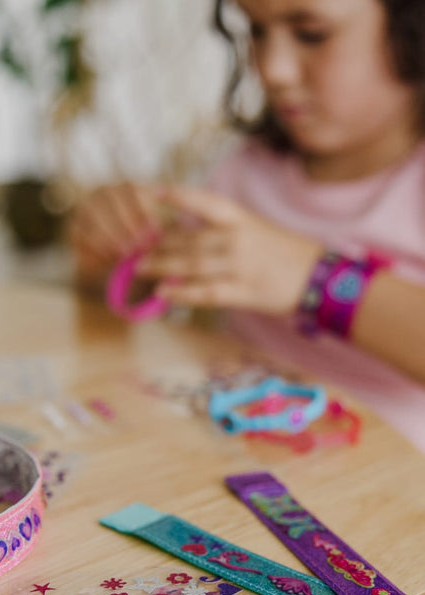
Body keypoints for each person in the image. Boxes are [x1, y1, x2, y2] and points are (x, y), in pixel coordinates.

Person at [66, 0, 425, 452]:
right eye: (257, 30)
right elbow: (120, 311)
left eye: (312, 33)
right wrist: (108, 256)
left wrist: (311, 279)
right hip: (243, 457)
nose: (272, 69)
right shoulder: (244, 171)